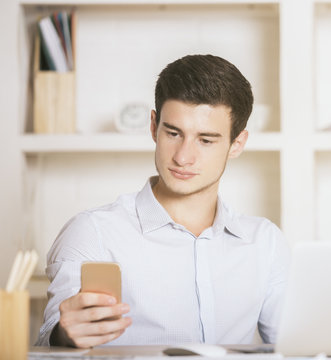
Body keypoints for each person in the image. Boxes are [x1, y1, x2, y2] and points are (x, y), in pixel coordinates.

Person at [36, 54, 290, 348]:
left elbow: (298, 348)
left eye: (205, 140)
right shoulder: (93, 232)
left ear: (237, 144)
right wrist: (64, 335)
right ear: (154, 125)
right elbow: (48, 340)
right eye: (173, 133)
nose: (183, 157)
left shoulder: (265, 242)